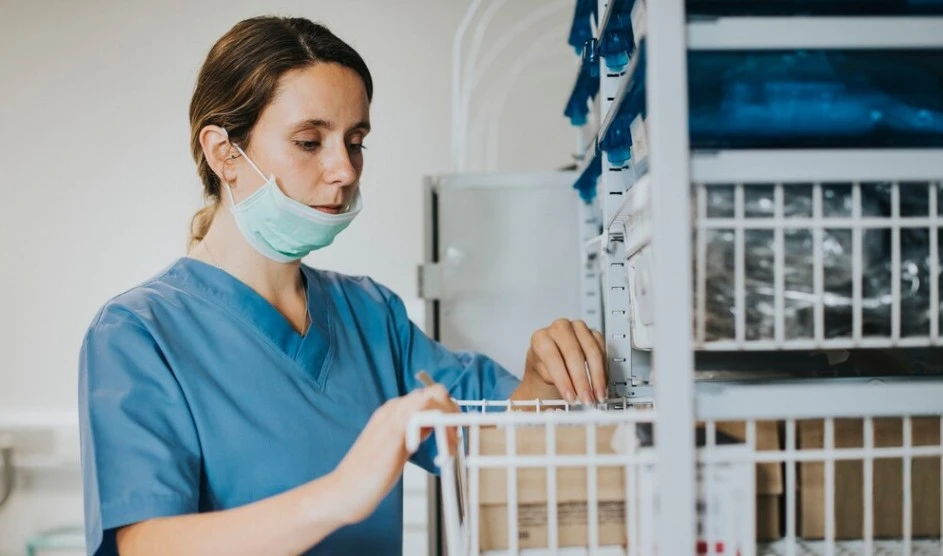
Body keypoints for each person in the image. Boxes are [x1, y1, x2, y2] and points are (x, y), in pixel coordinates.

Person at [78, 16, 607, 556]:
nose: (345, 170)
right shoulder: (138, 334)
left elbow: (495, 439)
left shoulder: (370, 314)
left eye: (355, 142)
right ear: (223, 153)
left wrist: (543, 380)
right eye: (310, 142)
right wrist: (339, 494)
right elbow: (146, 543)